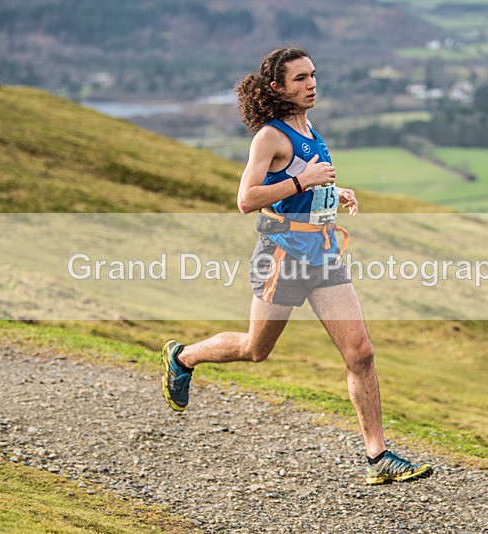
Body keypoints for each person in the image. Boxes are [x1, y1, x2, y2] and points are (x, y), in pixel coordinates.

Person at [161, 47, 431, 485]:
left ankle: (377, 457)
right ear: (277, 88)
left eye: (313, 75)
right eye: (301, 78)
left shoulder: (308, 127)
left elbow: (299, 182)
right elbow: (246, 200)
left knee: (360, 352)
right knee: (255, 349)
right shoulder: (269, 137)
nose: (311, 84)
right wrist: (304, 181)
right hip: (281, 257)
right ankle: (183, 357)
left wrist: (334, 192)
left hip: (323, 253)